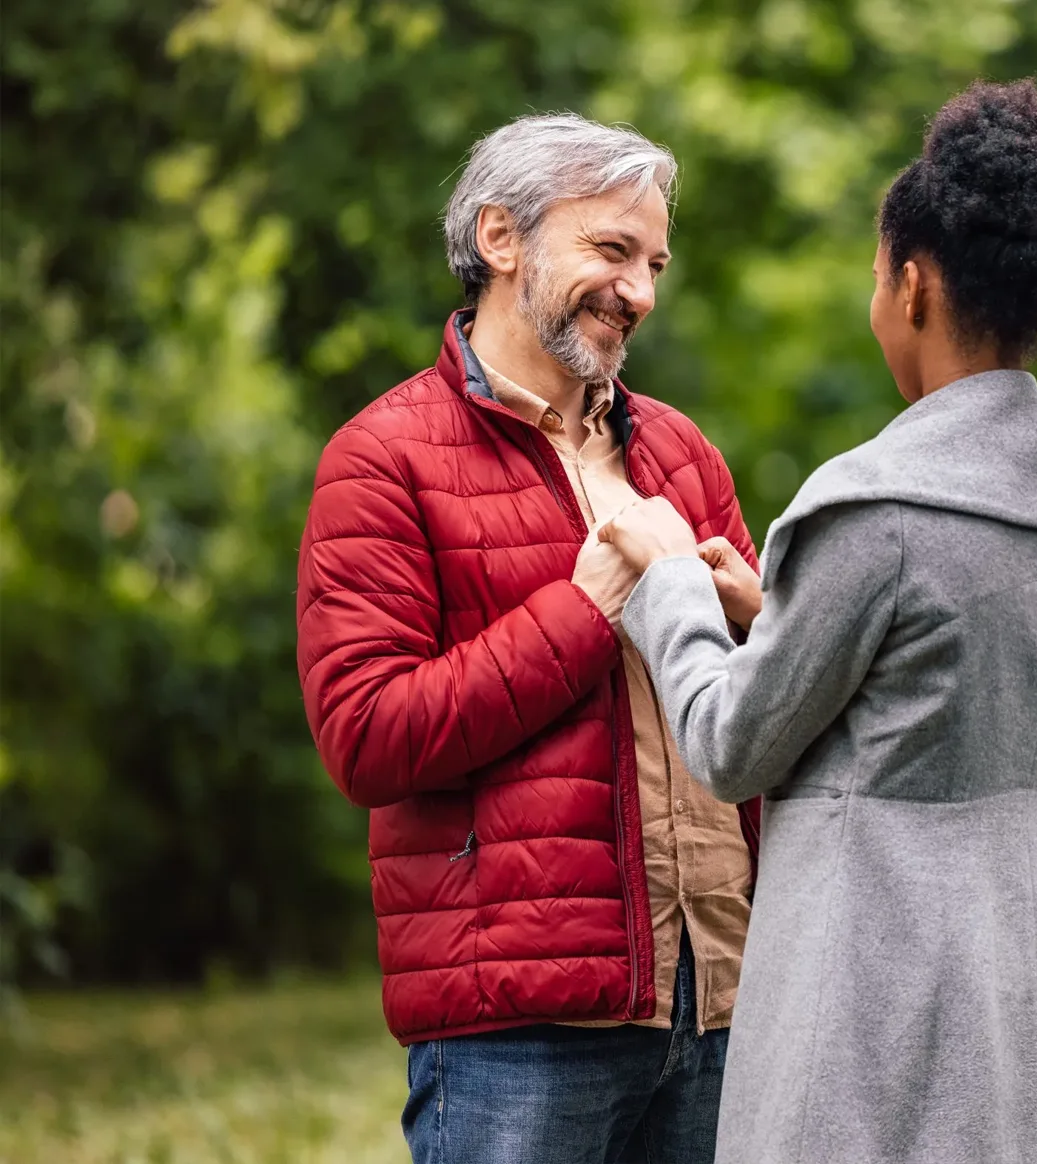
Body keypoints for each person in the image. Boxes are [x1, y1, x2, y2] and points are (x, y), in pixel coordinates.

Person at [600, 80, 1037, 1163]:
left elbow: (730, 744)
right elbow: (959, 680)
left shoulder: (878, 506)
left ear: (911, 284)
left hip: (883, 976)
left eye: (872, 278)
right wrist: (783, 617)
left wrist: (666, 582)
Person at [295, 113, 763, 1163]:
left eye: (653, 263)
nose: (639, 291)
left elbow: (757, 717)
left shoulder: (682, 453)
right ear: (501, 239)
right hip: (520, 1027)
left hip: (727, 999)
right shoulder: (382, 460)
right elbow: (367, 737)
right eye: (611, 250)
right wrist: (590, 599)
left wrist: (767, 623)